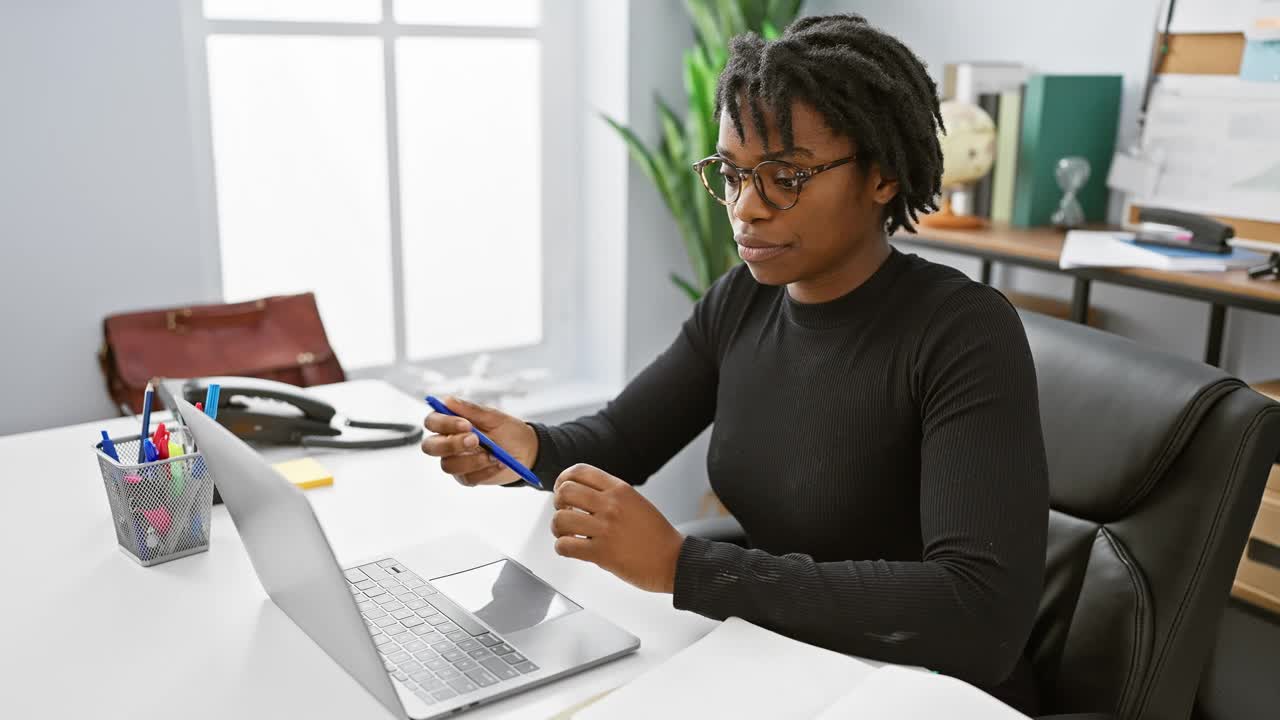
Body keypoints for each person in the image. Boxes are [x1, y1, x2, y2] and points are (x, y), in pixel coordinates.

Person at [422, 13, 1048, 713]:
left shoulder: (962, 333)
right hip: (784, 662)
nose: (746, 208)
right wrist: (526, 447)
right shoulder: (744, 301)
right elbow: (623, 440)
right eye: (732, 172)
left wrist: (685, 568)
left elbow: (979, 611)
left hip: (921, 692)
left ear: (883, 175)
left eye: (786, 176)